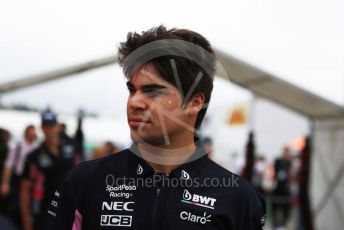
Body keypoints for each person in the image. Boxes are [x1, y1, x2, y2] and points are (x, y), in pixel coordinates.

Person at [44, 25, 265, 229]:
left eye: (153, 91)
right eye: (132, 90)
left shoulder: (237, 198)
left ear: (195, 102)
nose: (135, 102)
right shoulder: (85, 181)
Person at [21, 111, 77, 230]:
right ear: (41, 128)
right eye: (45, 126)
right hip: (44, 211)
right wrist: (26, 219)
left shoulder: (71, 148)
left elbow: (82, 175)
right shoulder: (34, 156)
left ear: (57, 126)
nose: (49, 130)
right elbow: (25, 188)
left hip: (69, 209)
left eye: (51, 126)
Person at [1, 125, 39, 227]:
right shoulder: (16, 147)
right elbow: (8, 165)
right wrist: (5, 183)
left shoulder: (37, 147)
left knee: (31, 205)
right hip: (18, 178)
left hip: (32, 180)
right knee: (17, 205)